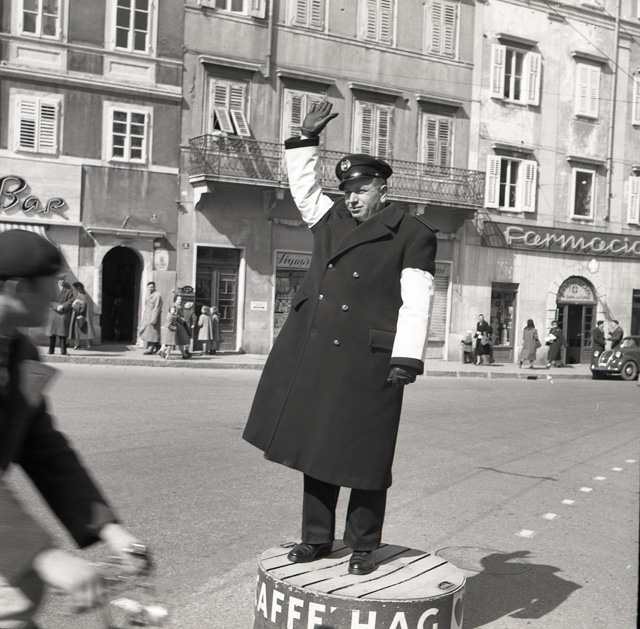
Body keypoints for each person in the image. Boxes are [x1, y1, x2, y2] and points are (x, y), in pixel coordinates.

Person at [242, 102, 437, 577]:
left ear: (382, 189)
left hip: (372, 359)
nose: (352, 199)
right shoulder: (330, 220)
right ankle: (315, 538)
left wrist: (406, 358)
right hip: (320, 352)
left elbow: (417, 299)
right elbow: (303, 187)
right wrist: (305, 138)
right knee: (318, 447)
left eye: (361, 190)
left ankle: (364, 545)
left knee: (367, 457)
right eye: (347, 191)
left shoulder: (412, 234)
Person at [0, 229, 149, 629]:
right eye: (51, 283)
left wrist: (110, 529)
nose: (57, 296)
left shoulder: (19, 350)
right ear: (17, 287)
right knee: (17, 597)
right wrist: (44, 555)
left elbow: (45, 449)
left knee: (20, 594)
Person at [45, 274, 73, 355]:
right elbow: (49, 300)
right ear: (58, 280)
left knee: (62, 334)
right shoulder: (53, 289)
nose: (62, 281)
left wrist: (63, 306)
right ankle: (51, 350)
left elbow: (71, 300)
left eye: (63, 279)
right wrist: (56, 306)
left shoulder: (69, 289)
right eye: (61, 279)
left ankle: (63, 351)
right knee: (52, 334)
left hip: (63, 313)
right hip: (54, 312)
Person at [68, 282, 95, 351]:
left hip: (80, 316)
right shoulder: (81, 295)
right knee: (80, 331)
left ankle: (80, 344)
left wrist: (74, 305)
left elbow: (83, 308)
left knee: (79, 330)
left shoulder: (82, 296)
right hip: (79, 316)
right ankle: (80, 344)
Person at [140, 281, 162, 355]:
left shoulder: (157, 295)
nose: (150, 288)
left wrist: (154, 318)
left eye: (152, 287)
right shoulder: (148, 295)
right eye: (149, 287)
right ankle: (157, 345)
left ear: (154, 287)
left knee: (152, 333)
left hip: (152, 317)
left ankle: (150, 349)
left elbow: (157, 307)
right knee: (146, 332)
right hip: (147, 317)